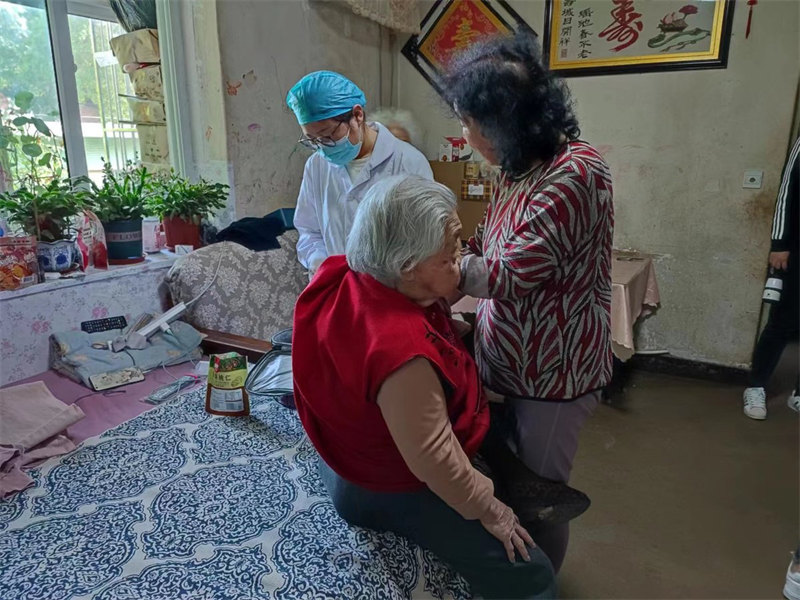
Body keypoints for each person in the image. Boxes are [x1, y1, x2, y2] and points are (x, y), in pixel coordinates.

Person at [292, 175, 562, 599]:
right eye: (450, 250)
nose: (461, 257)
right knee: (532, 573)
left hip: (342, 456)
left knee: (497, 424)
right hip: (380, 486)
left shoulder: (343, 271)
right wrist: (490, 508)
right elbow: (435, 460)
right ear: (407, 267)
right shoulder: (404, 357)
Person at [441, 33, 614, 573]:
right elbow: (486, 244)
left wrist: (427, 272)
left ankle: (541, 585)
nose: (463, 134)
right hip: (509, 359)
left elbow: (511, 271)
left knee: (539, 498)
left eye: (469, 123)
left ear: (507, 121)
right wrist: (454, 254)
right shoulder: (518, 169)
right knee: (505, 480)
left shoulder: (574, 174)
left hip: (554, 375)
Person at [286, 71, 433, 277]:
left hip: (390, 292)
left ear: (357, 115)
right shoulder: (316, 165)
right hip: (336, 288)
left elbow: (424, 239)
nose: (322, 147)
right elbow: (309, 230)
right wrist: (320, 262)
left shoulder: (408, 162)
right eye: (312, 140)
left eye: (328, 136)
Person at [743, 136, 799, 420]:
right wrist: (779, 243)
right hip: (796, 249)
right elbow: (787, 191)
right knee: (782, 322)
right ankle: (756, 386)